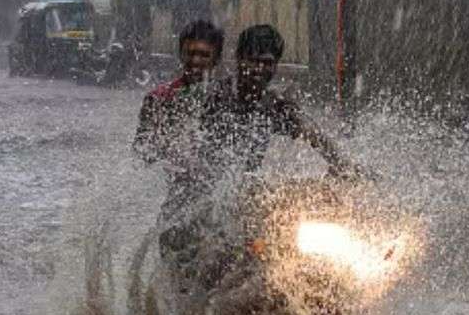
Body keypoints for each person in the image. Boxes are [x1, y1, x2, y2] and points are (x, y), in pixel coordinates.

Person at [193, 24, 361, 189]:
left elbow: (313, 134)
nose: (259, 69)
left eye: (267, 62)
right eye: (253, 60)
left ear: (276, 65)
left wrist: (342, 164)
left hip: (245, 192)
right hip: (205, 190)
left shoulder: (274, 106)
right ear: (239, 58)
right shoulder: (215, 97)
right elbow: (190, 147)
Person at [133, 19, 224, 166]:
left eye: (204, 55)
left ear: (217, 59)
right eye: (190, 53)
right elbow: (141, 154)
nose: (195, 61)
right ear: (181, 54)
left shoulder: (225, 99)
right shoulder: (158, 98)